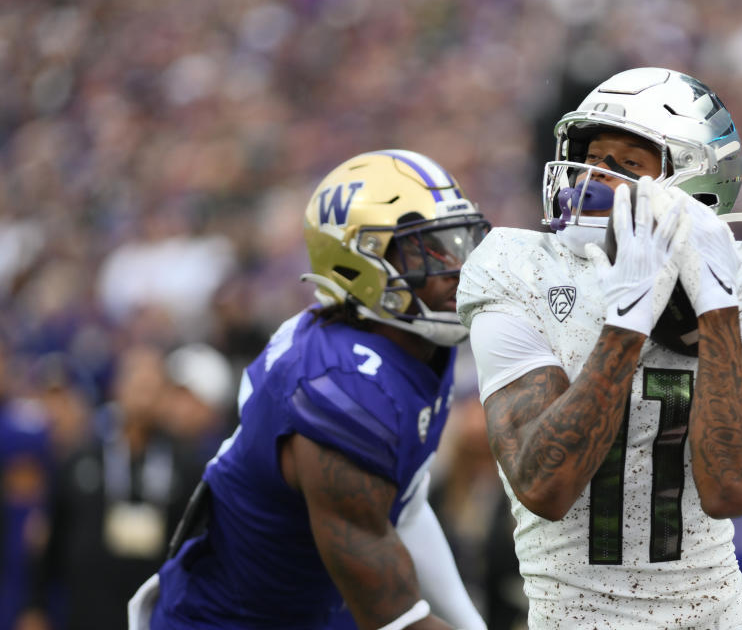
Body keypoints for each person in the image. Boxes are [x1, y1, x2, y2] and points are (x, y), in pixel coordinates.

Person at [456, 67, 742, 629]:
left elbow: (733, 487)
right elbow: (544, 485)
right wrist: (627, 322)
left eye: (627, 166)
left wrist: (716, 306)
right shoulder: (515, 268)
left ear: (697, 186)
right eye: (592, 157)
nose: (592, 178)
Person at [132, 150, 491, 630]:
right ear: (358, 264)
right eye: (426, 249)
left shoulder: (413, 343)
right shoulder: (338, 387)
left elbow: (402, 507)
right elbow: (396, 619)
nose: (455, 267)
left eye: (457, 241)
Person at [20, 344, 204, 630]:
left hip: (158, 614)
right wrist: (35, 606)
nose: (145, 395)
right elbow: (52, 537)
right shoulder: (81, 459)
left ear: (165, 396)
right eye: (137, 383)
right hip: (89, 611)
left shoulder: (187, 465)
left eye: (153, 386)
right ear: (118, 387)